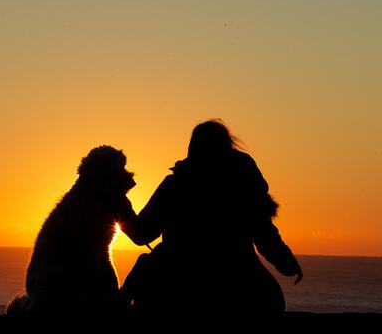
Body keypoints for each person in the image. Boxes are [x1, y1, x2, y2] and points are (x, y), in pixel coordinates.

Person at [120, 119, 302, 316]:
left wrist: (115, 200)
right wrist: (286, 262)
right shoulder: (243, 183)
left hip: (179, 282)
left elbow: (142, 234)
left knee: (145, 276)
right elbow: (264, 234)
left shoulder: (176, 184)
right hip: (239, 280)